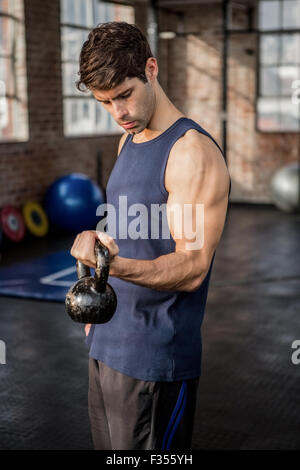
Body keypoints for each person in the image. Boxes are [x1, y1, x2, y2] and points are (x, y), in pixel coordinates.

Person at [70, 21, 231, 451]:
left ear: (151, 69)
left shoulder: (191, 152)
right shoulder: (130, 139)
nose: (118, 112)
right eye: (106, 102)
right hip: (107, 343)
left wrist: (113, 266)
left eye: (125, 94)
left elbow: (194, 265)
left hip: (155, 359)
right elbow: (128, 232)